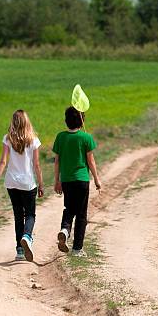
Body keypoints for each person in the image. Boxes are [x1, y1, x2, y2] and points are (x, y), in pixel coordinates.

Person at [0, 110, 44, 262]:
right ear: (27, 122)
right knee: (31, 214)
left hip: (11, 182)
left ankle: (20, 250)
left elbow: (3, 162)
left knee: (18, 215)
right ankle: (27, 236)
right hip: (28, 183)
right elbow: (37, 165)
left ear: (13, 122)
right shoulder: (33, 140)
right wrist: (40, 184)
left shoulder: (8, 139)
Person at [53, 106, 101, 257]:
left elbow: (57, 161)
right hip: (81, 180)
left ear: (66, 121)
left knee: (68, 208)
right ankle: (77, 249)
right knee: (81, 214)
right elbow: (91, 161)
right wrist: (97, 180)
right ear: (82, 120)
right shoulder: (86, 138)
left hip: (66, 180)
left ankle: (65, 230)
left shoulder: (60, 137)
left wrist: (57, 181)